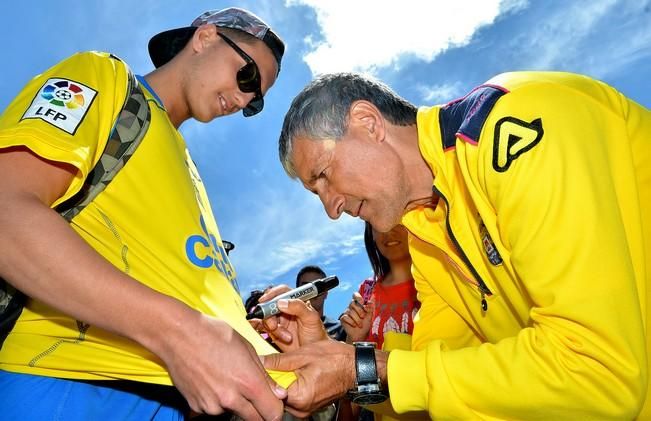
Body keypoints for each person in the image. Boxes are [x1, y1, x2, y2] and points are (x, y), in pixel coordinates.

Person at [262, 71, 651, 419]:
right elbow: (427, 388)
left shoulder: (514, 122)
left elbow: (601, 372)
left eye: (324, 176)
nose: (332, 208)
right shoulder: (427, 237)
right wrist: (330, 357)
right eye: (317, 193)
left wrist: (362, 367)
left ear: (368, 123)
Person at [0, 7, 290, 420]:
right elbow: (6, 212)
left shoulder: (191, 175)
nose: (245, 97)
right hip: (63, 387)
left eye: (256, 101)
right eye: (246, 77)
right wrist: (180, 333)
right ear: (205, 37)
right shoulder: (105, 79)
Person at [341, 222, 419, 349]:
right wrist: (355, 338)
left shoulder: (440, 282)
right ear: (371, 234)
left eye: (398, 221)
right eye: (376, 224)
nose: (387, 229)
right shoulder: (366, 291)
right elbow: (353, 360)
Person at [296, 265, 347, 342]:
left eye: (318, 287)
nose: (313, 292)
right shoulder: (281, 330)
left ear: (326, 293)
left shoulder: (343, 329)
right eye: (306, 288)